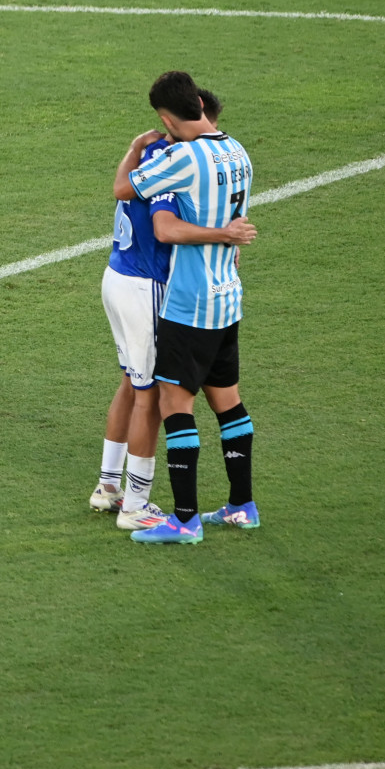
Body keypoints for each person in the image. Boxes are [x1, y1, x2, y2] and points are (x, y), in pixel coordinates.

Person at [116, 71, 261, 544]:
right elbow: (232, 218)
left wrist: (137, 148)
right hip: (228, 296)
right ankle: (242, 506)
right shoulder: (238, 151)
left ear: (165, 117)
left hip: (189, 302)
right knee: (229, 403)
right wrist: (228, 235)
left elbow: (143, 208)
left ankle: (184, 520)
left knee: (175, 405)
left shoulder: (182, 158)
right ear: (200, 102)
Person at [91, 86, 223, 532]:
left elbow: (120, 190)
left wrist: (131, 146)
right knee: (151, 396)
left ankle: (109, 486)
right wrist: (223, 234)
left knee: (131, 383)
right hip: (144, 288)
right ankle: (136, 504)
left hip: (116, 277)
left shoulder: (146, 152)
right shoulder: (170, 162)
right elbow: (166, 230)